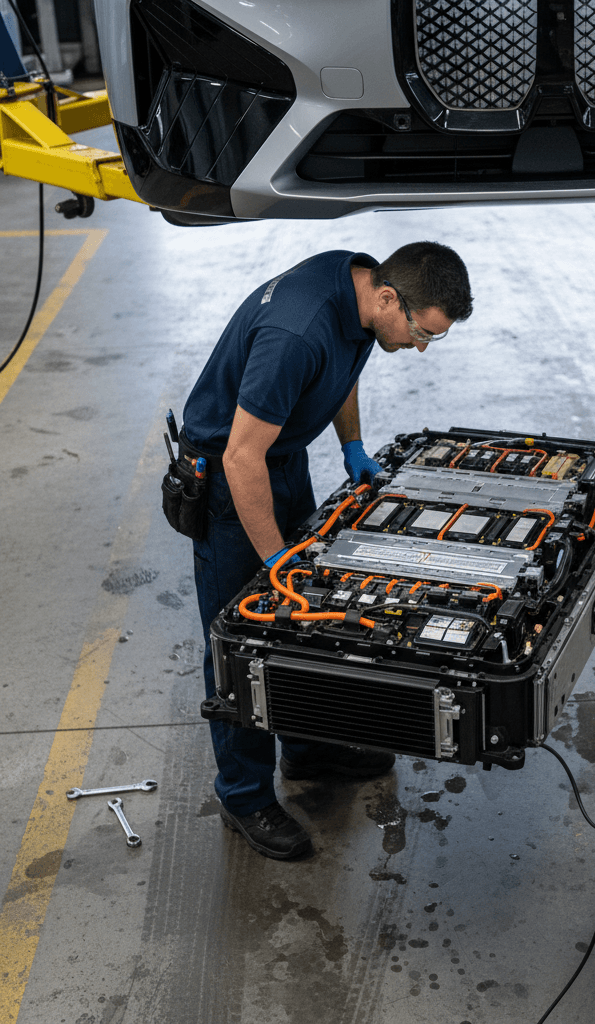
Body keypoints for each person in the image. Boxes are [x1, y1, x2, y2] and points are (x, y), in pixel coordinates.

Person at [179, 241, 473, 859]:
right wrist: (276, 561)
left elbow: (344, 367)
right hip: (230, 476)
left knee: (305, 625)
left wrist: (353, 444)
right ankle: (244, 794)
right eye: (423, 333)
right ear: (390, 298)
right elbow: (239, 456)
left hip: (279, 459)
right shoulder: (297, 334)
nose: (421, 348)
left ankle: (308, 750)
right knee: (243, 637)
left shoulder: (359, 288)